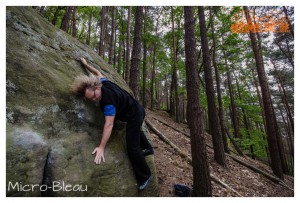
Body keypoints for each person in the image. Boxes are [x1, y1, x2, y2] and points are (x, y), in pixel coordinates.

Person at [71, 57, 154, 191]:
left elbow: (109, 125)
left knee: (132, 147)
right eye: (90, 99)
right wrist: (86, 64)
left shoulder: (107, 102)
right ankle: (148, 148)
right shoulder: (104, 83)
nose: (94, 99)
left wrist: (101, 147)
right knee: (135, 130)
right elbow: (97, 72)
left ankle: (145, 176)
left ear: (96, 86)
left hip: (135, 115)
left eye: (93, 95)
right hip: (136, 109)